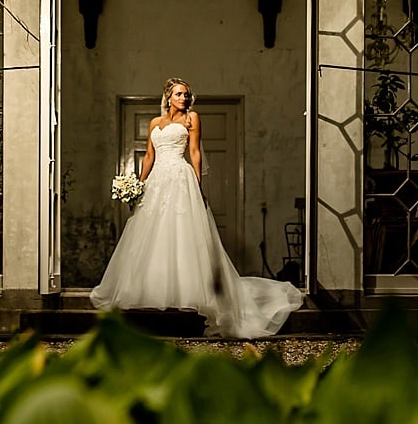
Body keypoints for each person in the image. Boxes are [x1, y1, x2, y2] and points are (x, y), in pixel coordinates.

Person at [91, 77, 304, 339]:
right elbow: (148, 156)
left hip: (180, 178)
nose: (184, 98)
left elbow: (194, 152)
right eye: (180, 94)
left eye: (187, 95)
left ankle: (189, 293)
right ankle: (153, 292)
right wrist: (138, 185)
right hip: (157, 180)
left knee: (183, 233)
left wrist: (198, 186)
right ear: (168, 97)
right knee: (152, 235)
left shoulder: (192, 118)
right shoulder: (155, 123)